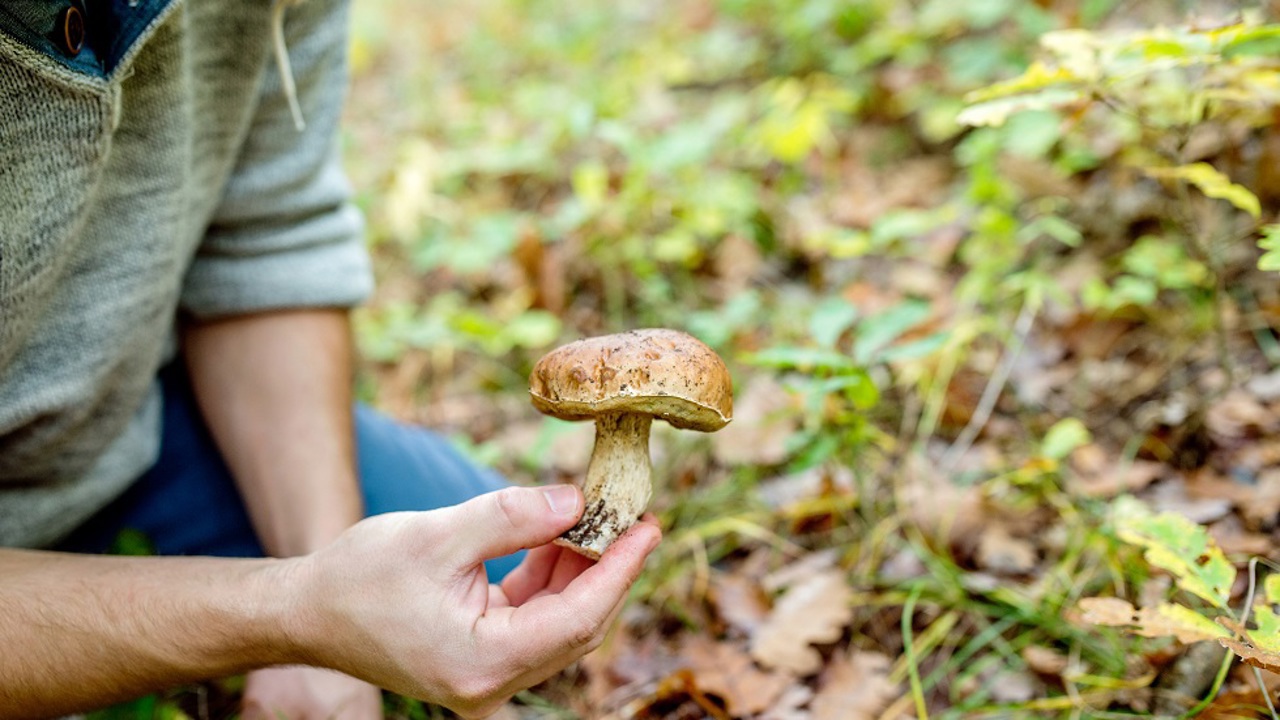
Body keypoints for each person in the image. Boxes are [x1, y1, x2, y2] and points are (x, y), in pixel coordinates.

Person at [0, 1, 661, 718]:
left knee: (522, 583)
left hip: (123, 423)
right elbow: (301, 613)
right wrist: (295, 616)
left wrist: (327, 573)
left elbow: (266, 233)